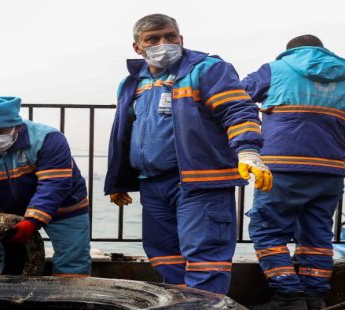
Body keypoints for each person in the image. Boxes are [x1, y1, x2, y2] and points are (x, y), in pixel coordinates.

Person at [104, 13, 270, 295]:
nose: (163, 43)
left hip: (199, 181)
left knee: (205, 254)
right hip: (153, 182)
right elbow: (124, 131)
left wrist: (248, 150)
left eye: (170, 37)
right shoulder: (132, 83)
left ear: (181, 39)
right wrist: (119, 180)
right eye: (152, 39)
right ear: (138, 47)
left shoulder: (207, 69)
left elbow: (237, 109)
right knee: (162, 252)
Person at [242, 35, 345, 310]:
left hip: (282, 167)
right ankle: (314, 298)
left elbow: (236, 96)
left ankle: (288, 297)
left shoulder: (275, 69)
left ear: (290, 52)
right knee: (316, 235)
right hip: (329, 169)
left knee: (267, 230)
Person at [0, 96, 91, 277]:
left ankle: (75, 298)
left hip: (65, 206)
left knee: (72, 259)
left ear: (17, 126)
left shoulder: (48, 139)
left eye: (0, 131)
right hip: (3, 210)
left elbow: (53, 184)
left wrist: (33, 221)